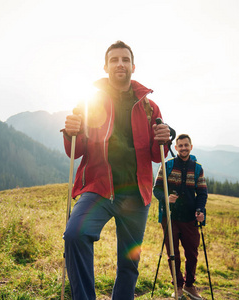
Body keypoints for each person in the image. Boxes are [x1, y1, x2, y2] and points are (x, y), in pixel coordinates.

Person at [62, 40, 171, 300]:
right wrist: (70, 132)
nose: (120, 64)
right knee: (75, 234)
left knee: (128, 264)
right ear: (105, 66)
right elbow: (75, 152)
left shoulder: (149, 107)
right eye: (114, 60)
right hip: (98, 188)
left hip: (136, 194)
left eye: (124, 60)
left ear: (133, 66)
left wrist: (164, 138)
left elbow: (157, 156)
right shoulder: (90, 104)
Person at [153, 134, 208, 300]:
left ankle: (190, 286)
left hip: (190, 218)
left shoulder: (197, 168)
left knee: (192, 253)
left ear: (191, 147)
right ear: (176, 148)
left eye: (186, 145)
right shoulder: (166, 166)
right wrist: (166, 198)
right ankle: (177, 287)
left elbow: (202, 192)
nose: (183, 148)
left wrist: (200, 209)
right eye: (180, 146)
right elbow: (156, 189)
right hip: (170, 217)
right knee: (172, 253)